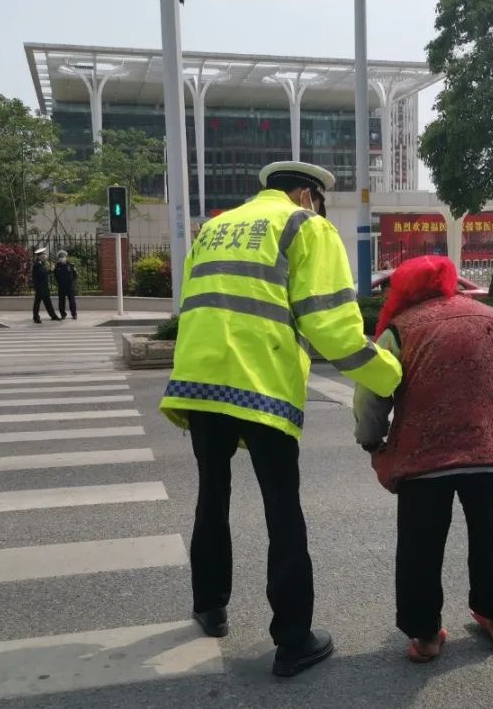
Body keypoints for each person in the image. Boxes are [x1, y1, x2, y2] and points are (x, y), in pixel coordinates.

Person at [160, 161, 403, 677]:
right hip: (260, 384)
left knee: (212, 495)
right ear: (305, 195)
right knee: (282, 513)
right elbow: (330, 326)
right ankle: (293, 640)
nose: (318, 210)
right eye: (318, 202)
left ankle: (210, 606)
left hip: (199, 381)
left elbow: (192, 303)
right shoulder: (303, 226)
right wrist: (392, 377)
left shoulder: (214, 229)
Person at [353, 255, 493, 664]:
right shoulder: (490, 317)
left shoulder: (399, 330)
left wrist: (372, 443)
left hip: (423, 458)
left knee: (420, 544)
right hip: (488, 450)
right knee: (489, 533)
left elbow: (371, 395)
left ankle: (426, 637)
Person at [31, 247, 60, 323]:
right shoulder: (37, 265)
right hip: (40, 288)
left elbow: (44, 274)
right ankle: (36, 318)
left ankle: (53, 316)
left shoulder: (41, 264)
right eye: (44, 254)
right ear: (40, 256)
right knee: (37, 303)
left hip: (44, 287)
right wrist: (51, 270)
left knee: (48, 302)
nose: (45, 256)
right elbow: (42, 274)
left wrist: (50, 270)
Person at [54, 250, 78, 320]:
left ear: (66, 257)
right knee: (61, 301)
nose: (62, 258)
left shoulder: (71, 265)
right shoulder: (57, 266)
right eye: (60, 257)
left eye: (63, 256)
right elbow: (55, 276)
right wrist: (60, 282)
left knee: (72, 301)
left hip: (70, 286)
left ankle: (74, 314)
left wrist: (71, 281)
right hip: (61, 286)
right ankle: (63, 314)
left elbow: (75, 275)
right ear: (59, 258)